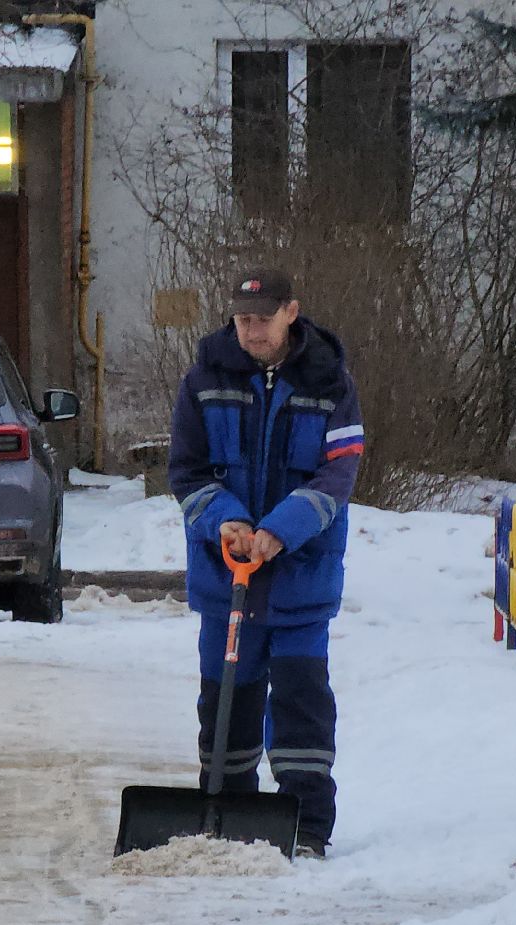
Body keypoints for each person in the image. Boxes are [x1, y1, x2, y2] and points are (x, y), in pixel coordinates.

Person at [167, 269, 364, 857]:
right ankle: (226, 813)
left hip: (301, 578)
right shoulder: (204, 380)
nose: (251, 328)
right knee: (226, 700)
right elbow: (187, 470)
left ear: (291, 313)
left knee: (302, 704)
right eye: (242, 317)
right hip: (226, 579)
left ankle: (305, 825)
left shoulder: (331, 383)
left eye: (263, 317)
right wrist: (225, 520)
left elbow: (339, 472)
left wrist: (281, 529)